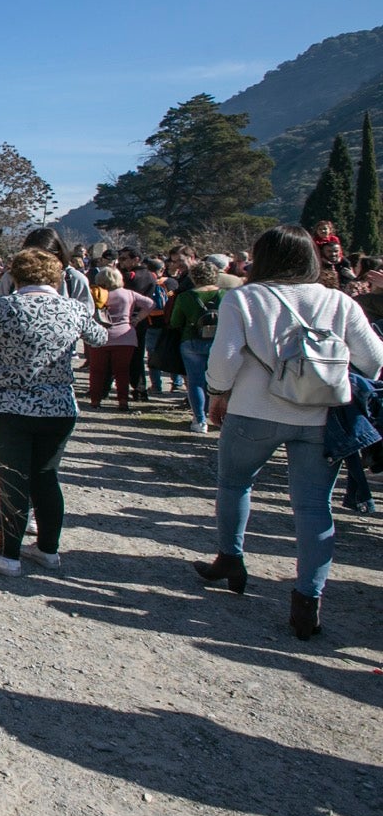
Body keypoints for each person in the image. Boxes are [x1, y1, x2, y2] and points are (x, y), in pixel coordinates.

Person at [193, 224, 383, 640]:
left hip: (253, 410)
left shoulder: (245, 298)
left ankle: (231, 558)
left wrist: (217, 394)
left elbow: (224, 359)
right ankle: (307, 600)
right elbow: (374, 360)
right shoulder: (338, 301)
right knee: (314, 507)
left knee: (235, 483)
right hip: (320, 417)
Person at [0, 249, 108, 576]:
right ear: (56, 277)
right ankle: (48, 549)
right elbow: (99, 338)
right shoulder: (73, 308)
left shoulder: (5, 307)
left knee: (12, 479)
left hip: (9, 406)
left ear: (15, 276)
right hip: (58, 406)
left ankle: (9, 554)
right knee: (46, 477)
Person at [85, 267, 152, 410]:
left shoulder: (95, 294)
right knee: (122, 371)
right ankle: (123, 401)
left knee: (97, 371)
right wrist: (137, 318)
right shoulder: (128, 294)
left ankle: (95, 400)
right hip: (125, 336)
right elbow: (150, 304)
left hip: (100, 336)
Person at [168, 261, 223, 433]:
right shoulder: (226, 295)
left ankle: (200, 420)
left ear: (193, 277)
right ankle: (222, 417)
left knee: (195, 382)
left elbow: (175, 322)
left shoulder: (185, 297)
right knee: (221, 381)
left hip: (191, 340)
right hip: (219, 342)